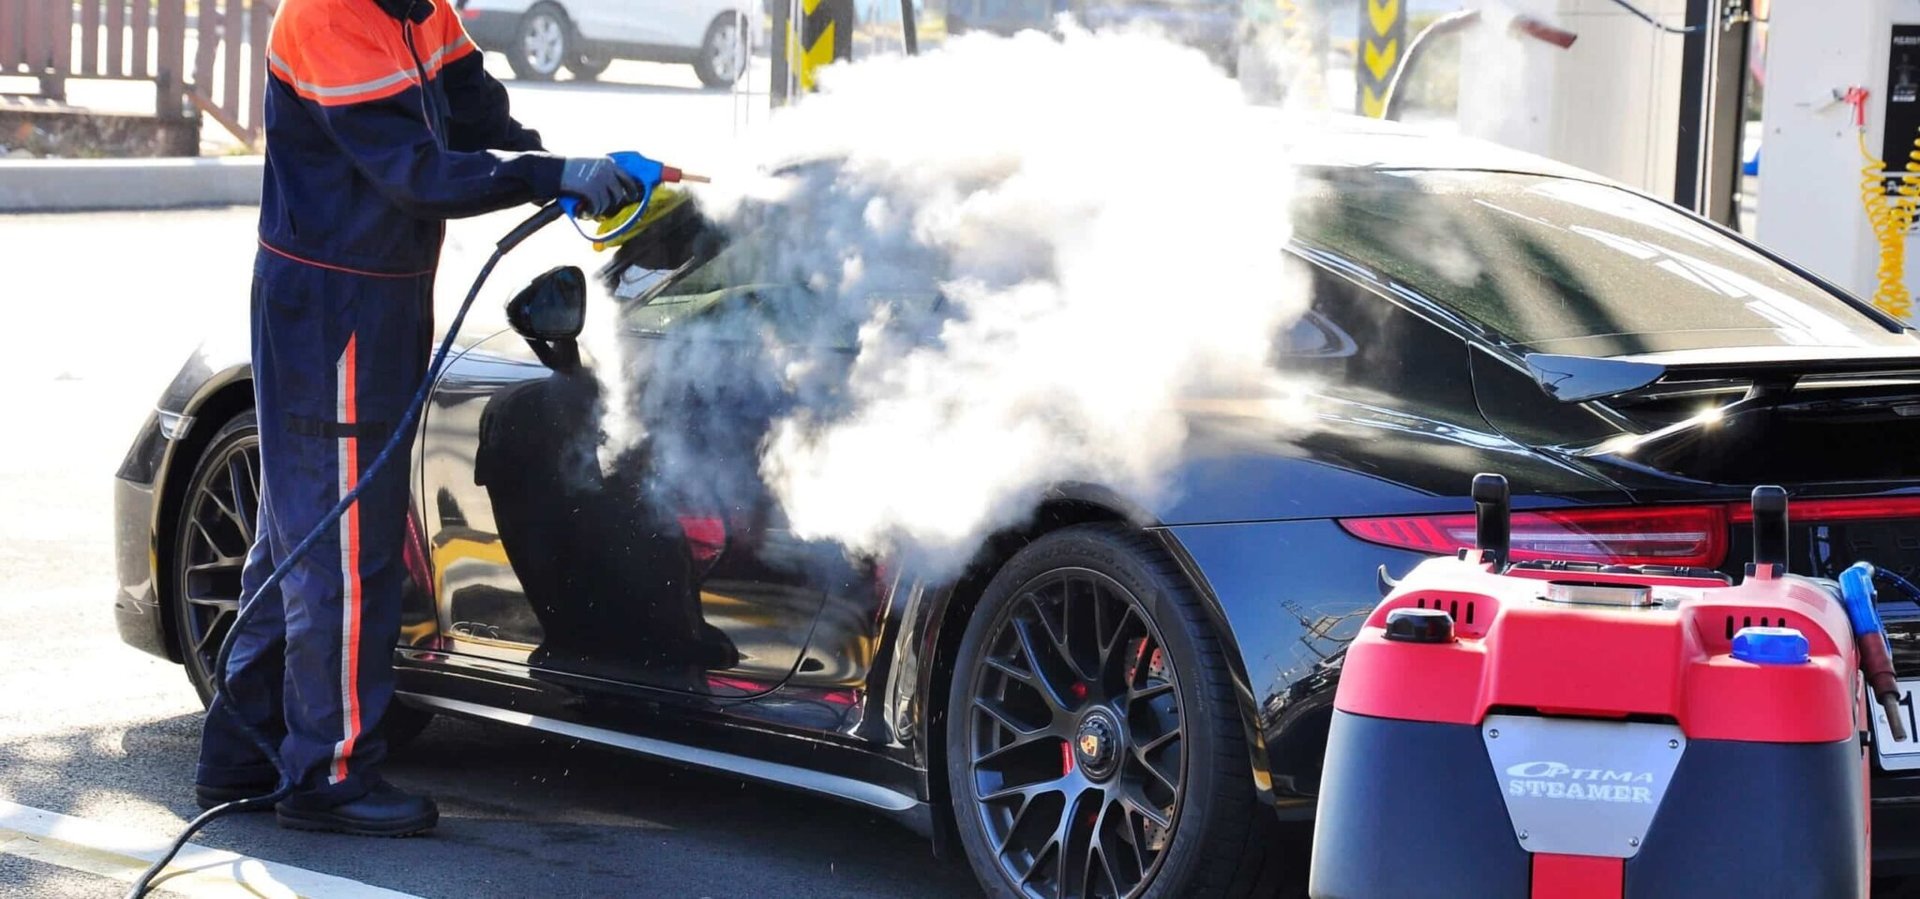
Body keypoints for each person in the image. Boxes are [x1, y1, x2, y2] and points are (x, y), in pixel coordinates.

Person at [192, 0, 644, 836]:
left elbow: (479, 115)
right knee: (345, 547)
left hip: (380, 297)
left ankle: (242, 744)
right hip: (332, 310)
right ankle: (328, 776)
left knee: (297, 536)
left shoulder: (420, 12)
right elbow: (419, 173)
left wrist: (568, 170)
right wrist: (552, 176)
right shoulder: (329, 17)